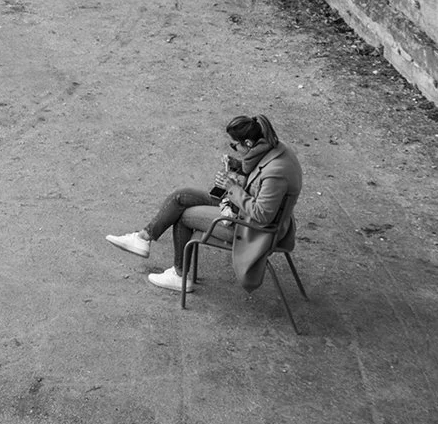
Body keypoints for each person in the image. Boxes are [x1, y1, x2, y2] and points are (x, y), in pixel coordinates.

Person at [105, 113, 302, 293]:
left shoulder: (276, 173)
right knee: (181, 197)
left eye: (235, 145)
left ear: (249, 143)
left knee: (183, 216)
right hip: (239, 209)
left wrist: (232, 187)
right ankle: (143, 237)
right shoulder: (272, 148)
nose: (233, 148)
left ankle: (179, 275)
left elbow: (262, 214)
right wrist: (237, 165)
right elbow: (258, 178)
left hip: (251, 228)